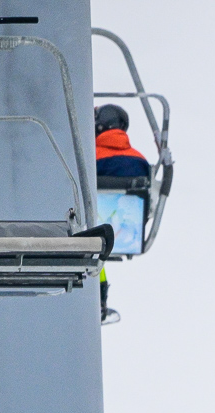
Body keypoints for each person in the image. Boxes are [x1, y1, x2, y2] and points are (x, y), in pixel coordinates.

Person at [94, 104, 150, 321]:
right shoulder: (140, 161)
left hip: (94, 224)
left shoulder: (89, 158)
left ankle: (96, 295)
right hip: (125, 231)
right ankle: (100, 300)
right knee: (99, 255)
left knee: (92, 249)